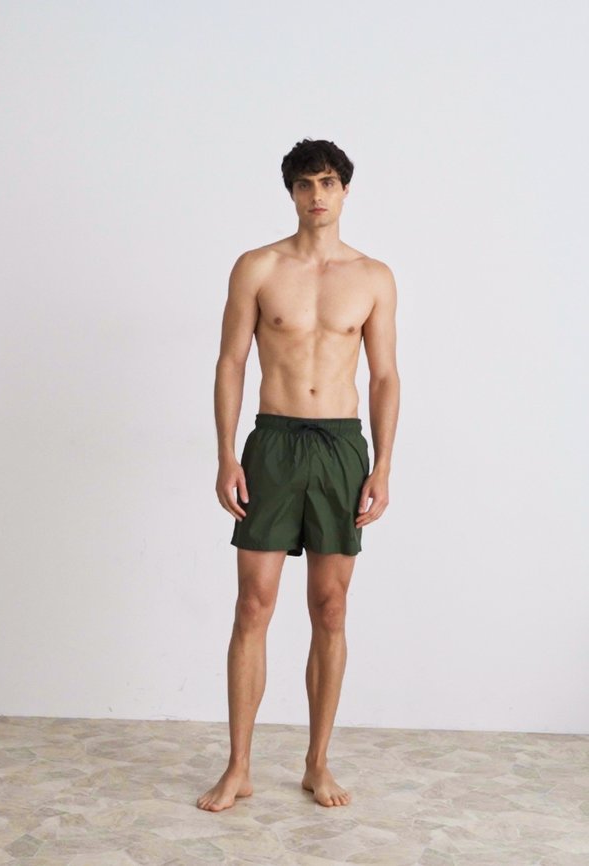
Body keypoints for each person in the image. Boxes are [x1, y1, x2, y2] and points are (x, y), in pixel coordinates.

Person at [197, 138, 400, 811]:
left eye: (329, 182)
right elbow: (231, 362)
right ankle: (239, 767)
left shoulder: (373, 277)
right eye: (306, 183)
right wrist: (227, 454)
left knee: (331, 607)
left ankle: (317, 763)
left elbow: (384, 376)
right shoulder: (257, 267)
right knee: (253, 604)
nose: (318, 194)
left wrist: (383, 465)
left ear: (345, 191)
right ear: (290, 192)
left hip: (341, 447)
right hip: (274, 443)